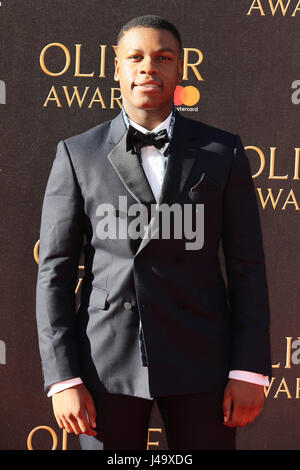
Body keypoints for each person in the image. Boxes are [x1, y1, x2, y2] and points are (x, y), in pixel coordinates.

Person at [36, 15, 272, 450]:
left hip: (203, 360)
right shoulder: (77, 154)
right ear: (117, 68)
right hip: (106, 363)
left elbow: (247, 266)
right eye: (136, 57)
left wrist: (248, 369)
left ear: (180, 69)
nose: (149, 67)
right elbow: (54, 272)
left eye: (163, 57)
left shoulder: (223, 151)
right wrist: (62, 377)